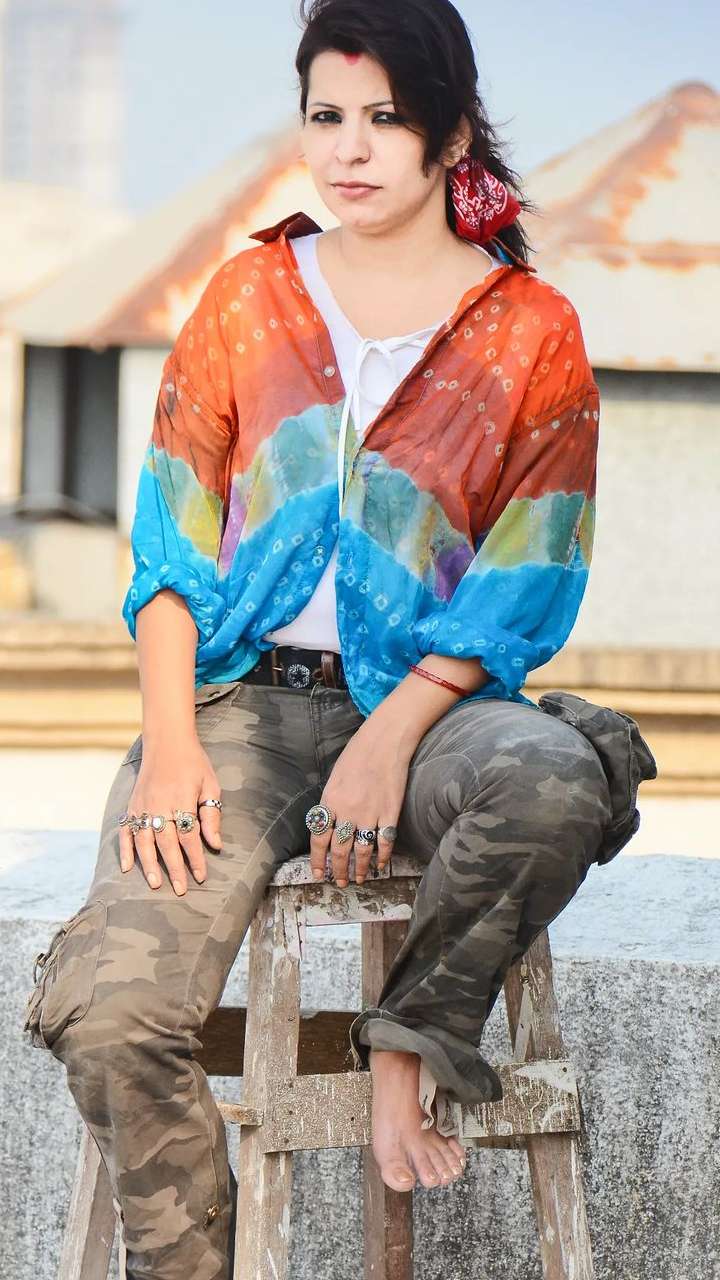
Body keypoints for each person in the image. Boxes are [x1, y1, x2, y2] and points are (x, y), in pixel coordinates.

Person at [21, 1, 657, 1276]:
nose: (348, 149)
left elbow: (530, 573)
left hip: (435, 709)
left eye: (385, 119)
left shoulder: (531, 331)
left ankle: (407, 1043)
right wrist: (167, 746)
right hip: (237, 710)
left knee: (553, 778)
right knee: (113, 1013)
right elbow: (169, 547)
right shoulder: (249, 297)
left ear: (452, 135)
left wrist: (387, 739)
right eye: (326, 116)